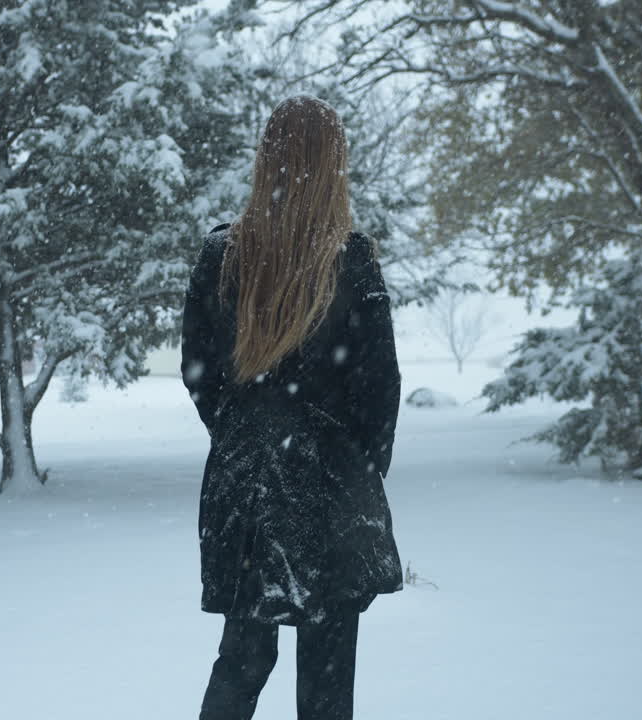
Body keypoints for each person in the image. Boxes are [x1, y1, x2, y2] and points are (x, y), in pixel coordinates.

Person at [180, 95, 403, 720]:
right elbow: (379, 387)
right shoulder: (351, 259)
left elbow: (198, 373)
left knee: (244, 657)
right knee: (327, 674)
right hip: (327, 486)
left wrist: (239, 436)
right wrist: (356, 467)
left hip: (243, 485)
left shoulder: (222, 254)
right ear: (333, 163)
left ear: (267, 159)